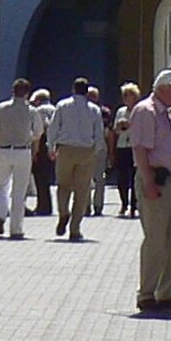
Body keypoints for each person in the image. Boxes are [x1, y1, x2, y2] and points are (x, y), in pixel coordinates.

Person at [129, 68, 171, 313]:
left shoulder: (166, 112)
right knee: (155, 240)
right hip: (157, 178)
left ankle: (167, 292)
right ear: (163, 88)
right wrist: (148, 183)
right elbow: (140, 150)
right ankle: (147, 293)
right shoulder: (146, 110)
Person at [47, 77, 103, 240]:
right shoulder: (94, 109)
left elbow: (53, 127)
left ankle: (63, 212)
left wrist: (51, 147)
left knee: (63, 185)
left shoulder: (62, 105)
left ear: (73, 89)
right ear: (87, 92)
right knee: (82, 190)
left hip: (65, 149)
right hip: (86, 151)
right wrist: (96, 151)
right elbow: (98, 133)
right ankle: (75, 228)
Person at [0, 78, 37, 237]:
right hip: (23, 150)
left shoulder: (1, 108)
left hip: (3, 150)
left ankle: (0, 215)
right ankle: (16, 228)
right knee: (19, 191)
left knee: (1, 186)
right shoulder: (31, 111)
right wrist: (29, 137)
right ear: (27, 93)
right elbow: (38, 132)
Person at [113, 83, 140, 216]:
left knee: (135, 177)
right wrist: (119, 126)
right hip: (122, 146)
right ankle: (124, 203)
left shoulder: (140, 110)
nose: (126, 98)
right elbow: (116, 131)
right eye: (124, 96)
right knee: (122, 178)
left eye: (129, 95)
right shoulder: (120, 111)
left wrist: (131, 125)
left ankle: (134, 206)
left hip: (135, 147)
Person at [29, 88, 55, 216]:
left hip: (42, 146)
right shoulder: (55, 109)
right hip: (53, 145)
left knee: (40, 178)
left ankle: (43, 206)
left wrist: (35, 151)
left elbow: (40, 129)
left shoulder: (39, 111)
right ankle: (46, 205)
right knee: (46, 178)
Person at [89, 85, 111, 216]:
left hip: (100, 148)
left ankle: (98, 205)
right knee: (85, 178)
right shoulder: (84, 110)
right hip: (86, 147)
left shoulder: (104, 112)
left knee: (100, 178)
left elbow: (109, 133)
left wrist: (111, 153)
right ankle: (85, 205)